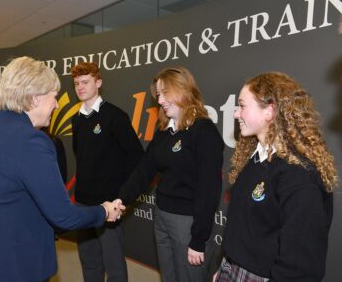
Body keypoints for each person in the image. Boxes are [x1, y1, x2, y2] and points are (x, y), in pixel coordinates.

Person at [0, 56, 124, 282]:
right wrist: (104, 211)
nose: (57, 105)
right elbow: (64, 216)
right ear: (35, 99)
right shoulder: (31, 142)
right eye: (54, 97)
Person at [215, 72, 338, 282]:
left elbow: (301, 269)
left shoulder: (300, 176)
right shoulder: (256, 159)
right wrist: (225, 267)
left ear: (270, 111)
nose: (236, 113)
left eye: (243, 105)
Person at [114, 67, 224, 282]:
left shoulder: (204, 131)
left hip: (187, 223)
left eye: (165, 93)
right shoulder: (165, 132)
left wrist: (198, 240)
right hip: (162, 216)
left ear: (183, 90)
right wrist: (121, 199)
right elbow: (144, 170)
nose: (160, 100)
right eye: (158, 94)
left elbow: (209, 190)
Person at [70, 62, 144, 282]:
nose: (80, 87)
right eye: (76, 83)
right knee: (89, 261)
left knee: (114, 266)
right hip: (83, 204)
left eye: (85, 82)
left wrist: (119, 195)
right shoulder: (77, 119)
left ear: (98, 83)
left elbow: (136, 156)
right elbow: (81, 157)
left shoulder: (115, 116)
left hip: (108, 205)